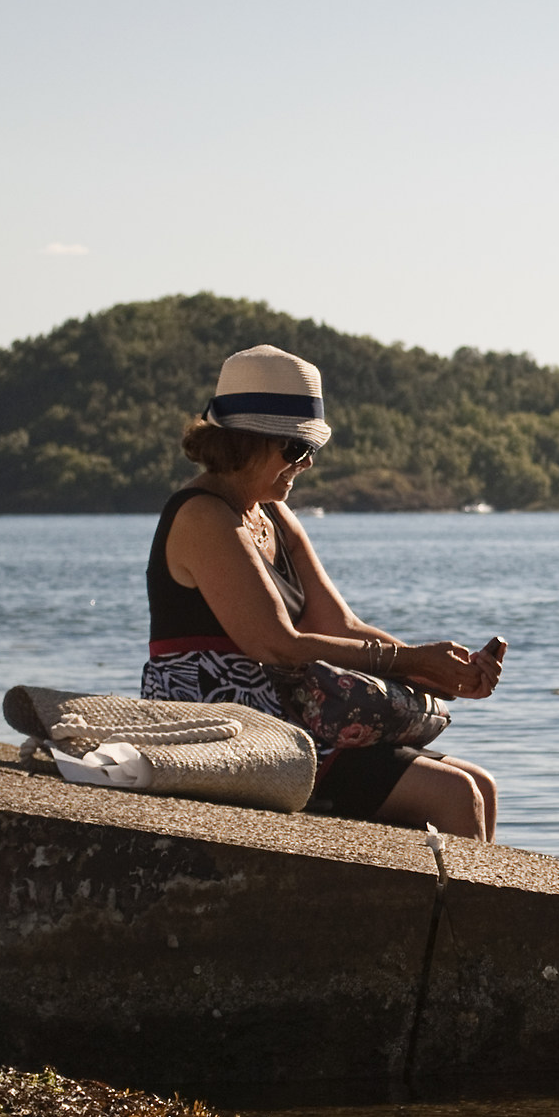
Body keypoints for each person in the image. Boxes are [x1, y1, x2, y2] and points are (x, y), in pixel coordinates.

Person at [142, 345, 505, 837]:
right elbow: (276, 644)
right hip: (232, 729)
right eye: (295, 448)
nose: (307, 463)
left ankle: (460, 912)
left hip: (289, 717)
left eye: (311, 449)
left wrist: (443, 674)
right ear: (244, 442)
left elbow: (342, 627)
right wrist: (413, 662)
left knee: (479, 784)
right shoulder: (203, 515)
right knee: (455, 794)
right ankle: (463, 914)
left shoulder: (270, 513)